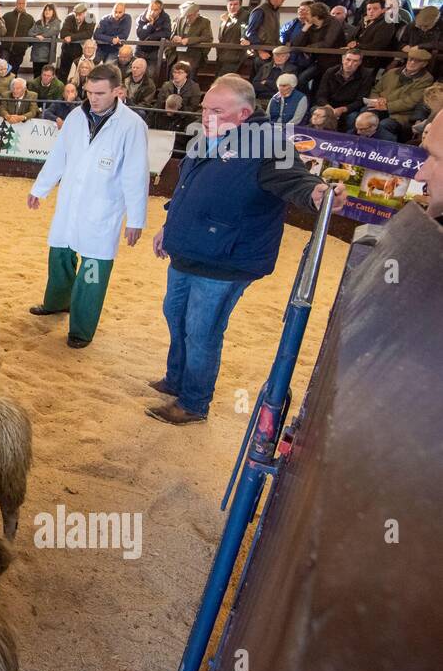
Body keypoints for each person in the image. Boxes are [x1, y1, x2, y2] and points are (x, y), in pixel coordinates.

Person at [148, 74, 346, 424]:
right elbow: (186, 189)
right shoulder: (205, 137)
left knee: (202, 330)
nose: (206, 115)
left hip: (226, 258)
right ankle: (176, 378)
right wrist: (169, 225)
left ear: (244, 114)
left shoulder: (270, 144)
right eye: (205, 108)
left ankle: (194, 402)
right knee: (175, 315)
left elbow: (297, 180)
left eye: (217, 110)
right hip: (188, 249)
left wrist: (317, 194)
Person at [26, 64, 148, 348]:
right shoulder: (75, 117)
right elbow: (59, 155)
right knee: (60, 256)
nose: (93, 98)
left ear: (119, 91)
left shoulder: (132, 126)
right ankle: (56, 302)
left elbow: (136, 174)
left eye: (101, 93)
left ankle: (81, 329)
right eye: (89, 92)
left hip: (103, 209)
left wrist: (136, 219)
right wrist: (40, 188)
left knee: (92, 271)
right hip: (70, 202)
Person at [361, 47, 436, 138]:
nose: (412, 63)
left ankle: (383, 150)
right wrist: (376, 100)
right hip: (379, 106)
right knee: (364, 116)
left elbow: (411, 102)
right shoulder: (392, 72)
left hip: (401, 114)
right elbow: (376, 89)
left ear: (424, 64)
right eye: (411, 59)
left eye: (417, 61)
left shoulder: (426, 79)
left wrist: (387, 105)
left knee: (384, 125)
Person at [315, 49, 373, 124]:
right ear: (342, 59)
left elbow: (360, 101)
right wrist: (328, 107)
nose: (350, 64)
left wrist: (343, 109)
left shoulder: (366, 75)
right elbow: (321, 95)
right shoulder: (330, 71)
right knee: (315, 111)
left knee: (353, 117)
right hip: (330, 105)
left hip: (349, 108)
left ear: (359, 63)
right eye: (348, 59)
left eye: (355, 61)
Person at [347, 0, 399, 72]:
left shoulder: (387, 23)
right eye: (369, 9)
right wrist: (352, 43)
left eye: (375, 9)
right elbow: (352, 37)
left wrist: (357, 45)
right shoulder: (363, 21)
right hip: (356, 57)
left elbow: (377, 45)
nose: (371, 11)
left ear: (383, 10)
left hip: (372, 61)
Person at [165, 1, 214, 78]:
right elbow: (171, 34)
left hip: (192, 57)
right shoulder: (179, 19)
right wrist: (174, 37)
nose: (187, 18)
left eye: (189, 16)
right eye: (185, 16)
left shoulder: (204, 22)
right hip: (176, 55)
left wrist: (189, 40)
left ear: (196, 13)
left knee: (188, 83)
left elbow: (207, 38)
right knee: (172, 81)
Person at [58, 3, 95, 82]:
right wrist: (79, 36)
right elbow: (63, 33)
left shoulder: (90, 17)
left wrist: (71, 37)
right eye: (76, 14)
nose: (77, 17)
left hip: (80, 52)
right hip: (67, 51)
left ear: (86, 13)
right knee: (63, 74)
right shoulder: (69, 17)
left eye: (80, 14)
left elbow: (88, 34)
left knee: (77, 74)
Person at [216, 0, 248, 75]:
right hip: (222, 55)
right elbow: (221, 37)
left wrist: (244, 38)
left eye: (235, 4)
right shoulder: (225, 17)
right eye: (230, 4)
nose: (232, 7)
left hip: (235, 55)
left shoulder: (246, 16)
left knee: (223, 80)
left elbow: (244, 29)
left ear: (240, 5)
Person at [2, 0, 35, 72]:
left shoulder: (30, 19)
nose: (21, 5)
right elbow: (0, 30)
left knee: (13, 72)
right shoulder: (7, 16)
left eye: (23, 3)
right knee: (3, 71)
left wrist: (26, 45)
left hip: (19, 50)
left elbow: (33, 32)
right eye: (19, 3)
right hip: (5, 48)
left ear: (26, 4)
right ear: (16, 4)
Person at [28, 3, 61, 76]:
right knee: (36, 76)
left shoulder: (57, 22)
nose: (47, 11)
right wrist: (36, 35)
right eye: (45, 10)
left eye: (49, 10)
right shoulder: (38, 22)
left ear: (53, 12)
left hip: (48, 55)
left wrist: (41, 35)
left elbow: (52, 32)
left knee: (46, 76)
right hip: (36, 54)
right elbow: (30, 32)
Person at [135, 0, 171, 65]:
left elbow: (167, 33)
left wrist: (151, 37)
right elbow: (140, 35)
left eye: (155, 10)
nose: (152, 12)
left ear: (160, 10)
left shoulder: (165, 18)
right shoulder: (142, 17)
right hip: (140, 49)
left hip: (154, 50)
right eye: (151, 9)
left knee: (151, 73)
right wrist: (150, 24)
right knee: (137, 70)